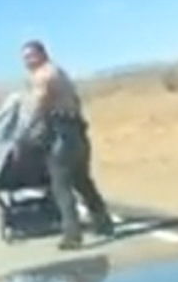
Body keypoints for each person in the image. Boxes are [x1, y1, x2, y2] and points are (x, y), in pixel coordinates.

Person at [19, 40, 114, 250]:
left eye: (31, 56)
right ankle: (104, 222)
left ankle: (72, 234)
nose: (28, 61)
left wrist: (26, 131)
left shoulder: (44, 75)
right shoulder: (59, 72)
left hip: (61, 133)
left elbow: (39, 104)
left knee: (61, 185)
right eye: (25, 58)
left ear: (42, 54)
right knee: (82, 180)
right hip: (76, 130)